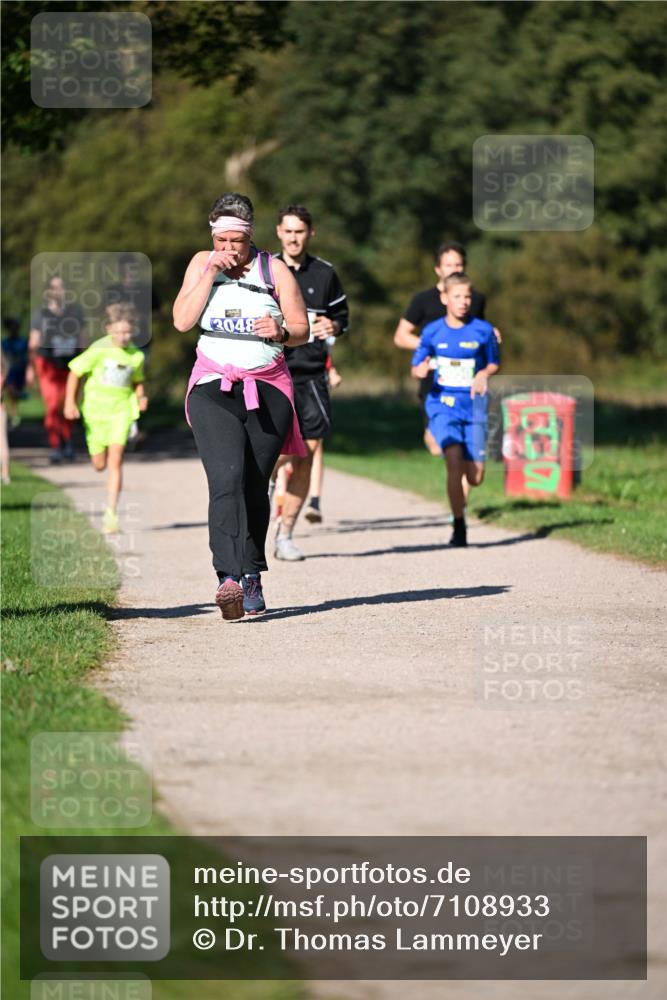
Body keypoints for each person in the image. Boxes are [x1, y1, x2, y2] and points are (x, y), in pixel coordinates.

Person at [173, 192, 309, 621]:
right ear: (212, 236)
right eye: (222, 241)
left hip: (267, 388)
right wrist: (210, 272)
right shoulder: (202, 263)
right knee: (226, 479)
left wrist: (280, 330)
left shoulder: (275, 270)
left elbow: (302, 329)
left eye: (238, 241)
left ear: (251, 237)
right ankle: (227, 577)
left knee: (253, 485)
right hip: (212, 385)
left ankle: (251, 572)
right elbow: (182, 321)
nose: (230, 249)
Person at [272, 204, 349, 557]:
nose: (293, 238)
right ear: (278, 232)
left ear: (310, 233)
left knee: (306, 455)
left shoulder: (325, 273)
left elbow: (342, 317)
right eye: (288, 231)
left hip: (313, 377)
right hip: (273, 374)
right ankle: (262, 488)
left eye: (299, 231)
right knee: (273, 453)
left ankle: (285, 536)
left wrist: (335, 326)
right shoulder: (265, 271)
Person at [411, 272, 500, 547]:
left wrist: (484, 373)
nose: (463, 302)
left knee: (475, 477)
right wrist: (420, 369)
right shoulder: (432, 331)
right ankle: (459, 524)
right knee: (453, 459)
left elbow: (494, 362)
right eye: (457, 296)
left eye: (467, 297)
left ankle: (461, 508)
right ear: (445, 298)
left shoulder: (483, 330)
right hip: (443, 404)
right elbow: (417, 363)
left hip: (474, 406)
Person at [394, 240, 491, 457]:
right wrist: (435, 348)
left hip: (468, 380)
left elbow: (481, 334)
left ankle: (461, 472)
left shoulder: (475, 300)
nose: (454, 270)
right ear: (438, 269)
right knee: (439, 443)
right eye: (449, 265)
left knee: (466, 448)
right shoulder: (423, 300)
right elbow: (400, 336)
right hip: (435, 378)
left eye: (459, 265)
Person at [64, 304, 147, 534]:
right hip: (95, 412)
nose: (123, 337)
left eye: (127, 332)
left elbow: (137, 381)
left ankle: (111, 514)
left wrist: (141, 396)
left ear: (133, 330)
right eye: (118, 332)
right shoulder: (98, 349)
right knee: (99, 465)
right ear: (109, 329)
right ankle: (98, 460)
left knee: (116, 460)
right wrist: (70, 402)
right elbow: (75, 371)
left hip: (121, 411)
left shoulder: (137, 355)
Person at [28, 276, 85, 463]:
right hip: (47, 366)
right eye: (54, 287)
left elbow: (82, 341)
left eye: (61, 287)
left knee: (69, 404)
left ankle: (67, 440)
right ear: (48, 292)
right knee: (52, 405)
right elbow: (33, 344)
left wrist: (86, 365)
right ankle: (55, 446)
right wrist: (30, 368)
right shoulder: (40, 314)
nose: (58, 291)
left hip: (71, 366)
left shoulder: (75, 312)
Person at [1, 317, 28, 427]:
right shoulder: (4, 343)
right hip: (9, 372)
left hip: (21, 371)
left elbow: (28, 357)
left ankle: (13, 413)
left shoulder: (23, 342)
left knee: (15, 395)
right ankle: (13, 415)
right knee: (11, 392)